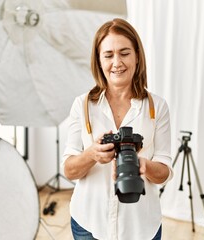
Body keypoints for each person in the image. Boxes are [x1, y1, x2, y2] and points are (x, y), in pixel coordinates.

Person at [62, 18, 173, 240]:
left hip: (140, 227)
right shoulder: (82, 105)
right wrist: (92, 154)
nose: (117, 62)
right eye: (109, 55)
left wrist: (142, 164)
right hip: (89, 223)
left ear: (137, 56)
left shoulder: (157, 107)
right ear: (99, 60)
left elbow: (164, 173)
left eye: (124, 53)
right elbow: (69, 170)